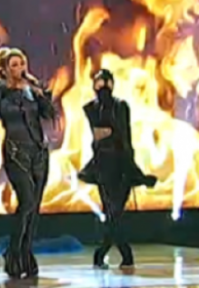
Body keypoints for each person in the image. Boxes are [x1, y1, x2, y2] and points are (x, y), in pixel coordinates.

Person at [0, 47, 56, 279]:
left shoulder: (32, 90)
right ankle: (14, 251)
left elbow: (49, 114)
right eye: (14, 65)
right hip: (16, 152)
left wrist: (42, 93)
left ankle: (25, 253)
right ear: (5, 69)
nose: (20, 68)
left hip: (39, 152)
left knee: (34, 208)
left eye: (22, 64)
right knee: (26, 202)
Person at [78, 69, 157, 270]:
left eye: (107, 82)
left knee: (115, 213)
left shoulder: (121, 106)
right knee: (112, 212)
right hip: (103, 166)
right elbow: (99, 133)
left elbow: (122, 135)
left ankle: (106, 254)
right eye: (100, 82)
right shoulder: (90, 108)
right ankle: (119, 254)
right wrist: (108, 134)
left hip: (122, 166)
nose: (104, 86)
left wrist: (132, 167)